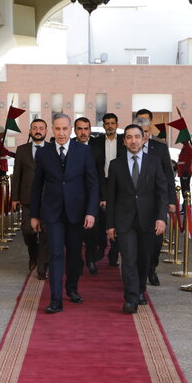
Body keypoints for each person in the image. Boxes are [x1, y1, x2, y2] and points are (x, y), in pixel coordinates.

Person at [31, 113, 99, 314]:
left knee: (75, 254)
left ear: (71, 130)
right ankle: (55, 299)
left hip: (77, 212)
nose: (61, 133)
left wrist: (91, 212)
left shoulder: (83, 151)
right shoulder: (44, 153)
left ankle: (72, 288)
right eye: (57, 129)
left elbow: (92, 184)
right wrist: (34, 215)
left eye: (64, 129)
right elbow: (37, 186)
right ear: (52, 129)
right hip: (52, 213)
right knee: (55, 254)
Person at [107, 124, 167, 313]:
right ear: (124, 141)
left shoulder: (154, 162)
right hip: (125, 221)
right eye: (129, 137)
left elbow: (161, 192)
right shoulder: (116, 165)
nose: (133, 141)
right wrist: (110, 225)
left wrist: (161, 218)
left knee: (143, 259)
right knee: (128, 258)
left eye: (137, 137)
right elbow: (111, 197)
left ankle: (141, 289)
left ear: (143, 139)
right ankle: (131, 298)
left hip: (148, 220)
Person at [135, 110, 176, 286]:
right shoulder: (127, 149)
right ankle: (137, 275)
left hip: (156, 202)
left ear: (149, 130)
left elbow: (168, 175)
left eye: (145, 131)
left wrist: (171, 200)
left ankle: (151, 269)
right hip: (135, 202)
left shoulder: (159, 148)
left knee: (156, 241)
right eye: (139, 131)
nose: (142, 135)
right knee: (137, 241)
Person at [11, 118, 49, 280]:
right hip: (27, 198)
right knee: (27, 230)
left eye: (41, 128)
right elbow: (17, 175)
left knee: (46, 234)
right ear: (30, 131)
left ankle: (42, 266)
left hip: (48, 199)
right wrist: (14, 198)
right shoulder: (22, 150)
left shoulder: (52, 149)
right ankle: (33, 254)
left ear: (46, 131)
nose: (38, 130)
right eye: (35, 128)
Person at [88, 112, 126, 266]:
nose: (110, 126)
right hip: (100, 182)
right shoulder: (95, 143)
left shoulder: (124, 141)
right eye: (107, 123)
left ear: (117, 124)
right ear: (104, 126)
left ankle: (114, 252)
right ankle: (101, 247)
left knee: (118, 220)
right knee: (101, 220)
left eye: (112, 123)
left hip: (120, 185)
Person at [74, 116, 101, 275]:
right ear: (75, 130)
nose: (83, 132)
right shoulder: (69, 145)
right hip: (74, 197)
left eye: (86, 129)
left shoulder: (97, 147)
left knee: (93, 231)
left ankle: (90, 259)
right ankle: (76, 262)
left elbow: (101, 172)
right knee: (75, 232)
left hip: (93, 195)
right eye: (80, 129)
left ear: (90, 130)